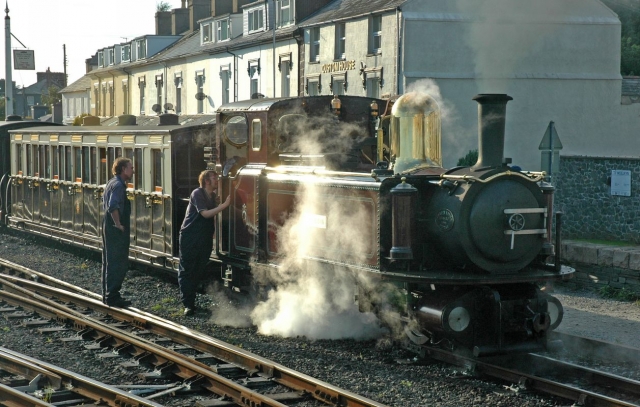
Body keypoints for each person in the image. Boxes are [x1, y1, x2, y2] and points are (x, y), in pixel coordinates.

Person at [179, 170, 230, 316]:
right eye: (214, 178)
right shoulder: (197, 193)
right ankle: (188, 304)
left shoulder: (212, 196)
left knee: (198, 269)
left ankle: (191, 300)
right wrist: (224, 205)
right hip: (190, 236)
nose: (217, 181)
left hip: (204, 237)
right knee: (187, 270)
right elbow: (205, 214)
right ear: (207, 181)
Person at [101, 157, 134, 307]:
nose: (133, 170)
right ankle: (113, 295)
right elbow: (113, 206)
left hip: (108, 226)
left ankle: (108, 294)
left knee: (109, 261)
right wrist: (119, 224)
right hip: (115, 228)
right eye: (130, 168)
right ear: (123, 169)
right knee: (117, 261)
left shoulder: (111, 182)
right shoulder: (119, 186)